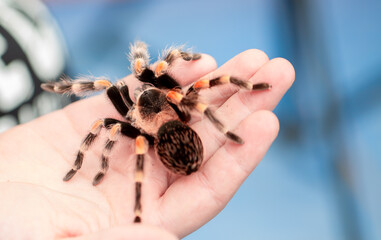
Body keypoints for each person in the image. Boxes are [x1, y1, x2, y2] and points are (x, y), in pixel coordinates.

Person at [0, 47, 294, 239]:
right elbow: (176, 71)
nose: (143, 87)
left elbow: (159, 71)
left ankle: (137, 203)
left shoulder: (149, 115)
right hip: (170, 132)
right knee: (196, 88)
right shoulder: (175, 99)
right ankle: (235, 114)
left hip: (161, 134)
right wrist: (178, 57)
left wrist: (95, 161)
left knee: (108, 92)